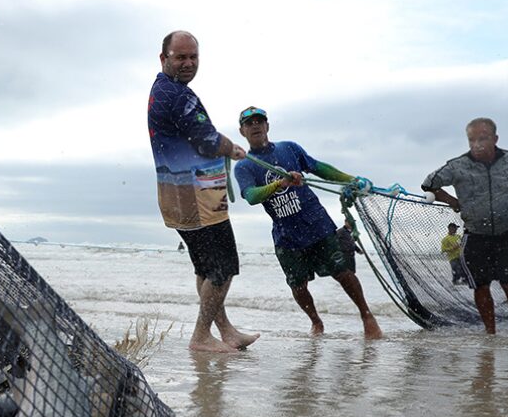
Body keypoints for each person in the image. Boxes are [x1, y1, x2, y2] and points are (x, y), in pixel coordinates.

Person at [233, 107, 383, 340]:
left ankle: (367, 316)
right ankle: (316, 322)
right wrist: (279, 184)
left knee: (342, 272)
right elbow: (251, 196)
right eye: (249, 123)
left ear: (267, 126)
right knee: (298, 285)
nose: (255, 126)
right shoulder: (244, 166)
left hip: (317, 223)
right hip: (286, 234)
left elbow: (318, 167)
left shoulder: (289, 148)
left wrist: (351, 179)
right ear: (242, 131)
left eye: (259, 121)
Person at [148, 31, 256, 353]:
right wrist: (231, 147)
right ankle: (201, 336)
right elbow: (206, 139)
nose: (188, 63)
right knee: (223, 267)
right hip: (197, 196)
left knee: (207, 268)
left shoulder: (165, 90)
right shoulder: (176, 95)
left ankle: (225, 331)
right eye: (180, 57)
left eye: (193, 57)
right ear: (164, 58)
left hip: (179, 193)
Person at [422, 117, 508, 335]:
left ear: (495, 139)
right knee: (480, 285)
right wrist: (452, 201)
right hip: (476, 233)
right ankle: (490, 332)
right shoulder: (457, 166)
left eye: (483, 138)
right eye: (472, 140)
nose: (477, 144)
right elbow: (429, 184)